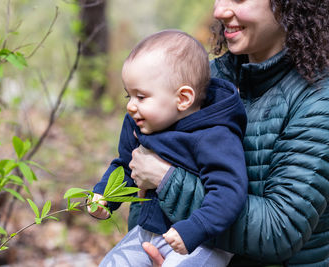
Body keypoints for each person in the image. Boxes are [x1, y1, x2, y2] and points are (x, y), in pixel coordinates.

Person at [128, 0, 329, 266]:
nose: (219, 11)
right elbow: (141, 173)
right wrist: (152, 249)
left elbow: (280, 230)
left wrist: (167, 179)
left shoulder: (317, 100)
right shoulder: (201, 82)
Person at [88, 29, 249, 266]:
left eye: (141, 97)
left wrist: (196, 228)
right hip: (150, 230)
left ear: (183, 98)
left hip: (203, 239)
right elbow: (125, 166)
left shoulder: (215, 134)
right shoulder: (139, 125)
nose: (131, 106)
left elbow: (228, 190)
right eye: (128, 96)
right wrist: (105, 195)